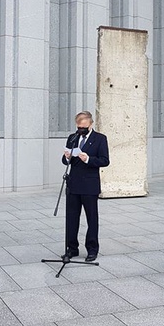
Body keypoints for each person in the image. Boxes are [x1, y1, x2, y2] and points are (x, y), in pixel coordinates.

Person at [62, 111, 109, 261]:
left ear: (90, 124)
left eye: (83, 126)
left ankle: (92, 249)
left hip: (90, 184)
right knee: (71, 218)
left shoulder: (100, 139)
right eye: (78, 126)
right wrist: (66, 156)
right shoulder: (73, 137)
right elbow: (64, 162)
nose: (80, 129)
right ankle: (72, 248)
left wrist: (88, 159)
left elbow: (104, 160)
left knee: (91, 218)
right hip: (74, 184)